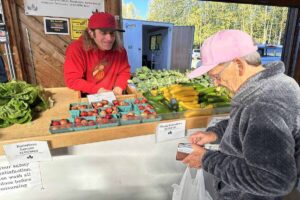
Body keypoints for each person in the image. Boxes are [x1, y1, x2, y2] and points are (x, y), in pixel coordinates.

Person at [183, 29, 300, 200]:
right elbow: (248, 126)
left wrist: (205, 159)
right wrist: (215, 133)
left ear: (238, 64)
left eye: (216, 76)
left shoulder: (262, 105)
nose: (216, 85)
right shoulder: (278, 83)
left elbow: (275, 180)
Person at [64, 12, 131, 95]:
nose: (109, 38)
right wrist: (98, 90)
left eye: (112, 33)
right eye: (103, 33)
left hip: (113, 95)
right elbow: (72, 80)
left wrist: (119, 87)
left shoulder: (120, 50)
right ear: (91, 33)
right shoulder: (76, 49)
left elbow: (124, 71)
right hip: (87, 96)